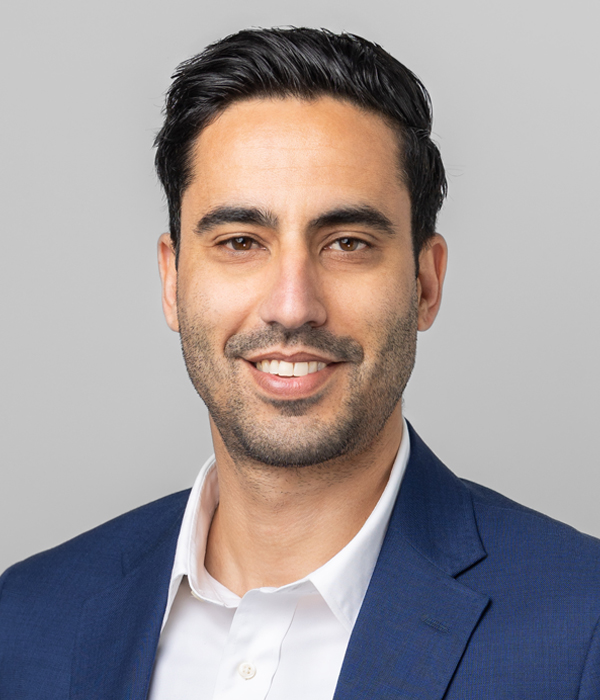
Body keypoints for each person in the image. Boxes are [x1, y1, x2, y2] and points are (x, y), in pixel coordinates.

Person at [1, 26, 599, 699]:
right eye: (240, 242)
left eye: (347, 243)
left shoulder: (583, 629)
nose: (292, 307)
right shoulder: (25, 621)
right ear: (172, 281)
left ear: (426, 283)